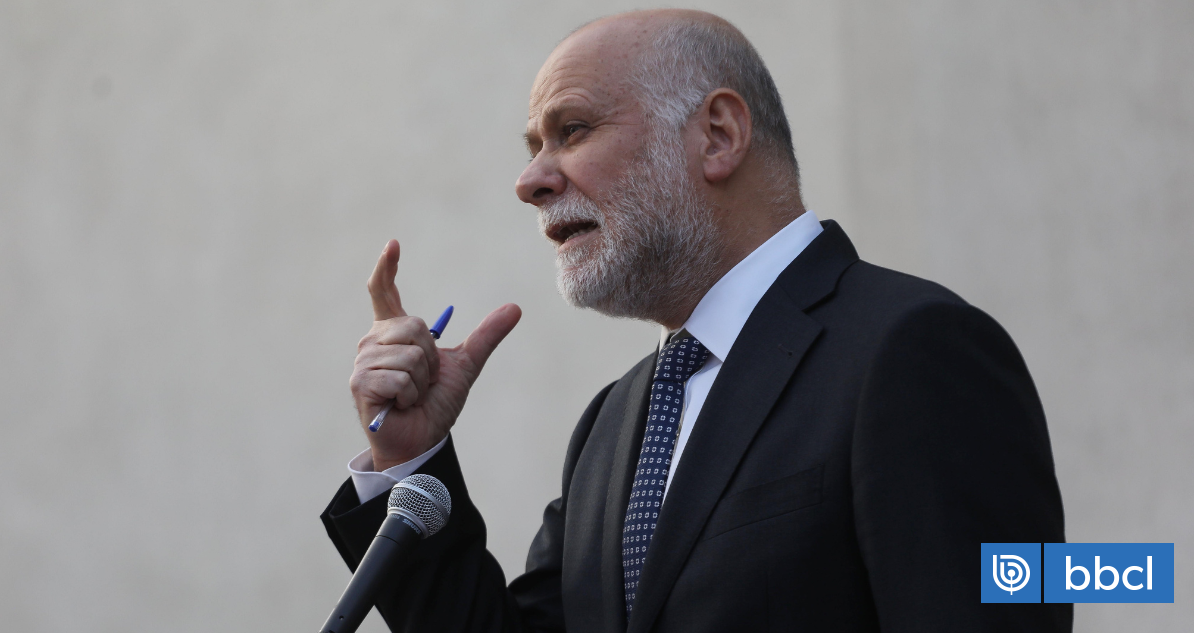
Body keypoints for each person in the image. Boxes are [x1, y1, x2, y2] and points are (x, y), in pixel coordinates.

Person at [323, 9, 1071, 632]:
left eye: (572, 130)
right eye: (533, 147)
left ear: (718, 134)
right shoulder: (612, 425)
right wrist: (411, 459)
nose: (530, 181)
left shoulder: (915, 350)